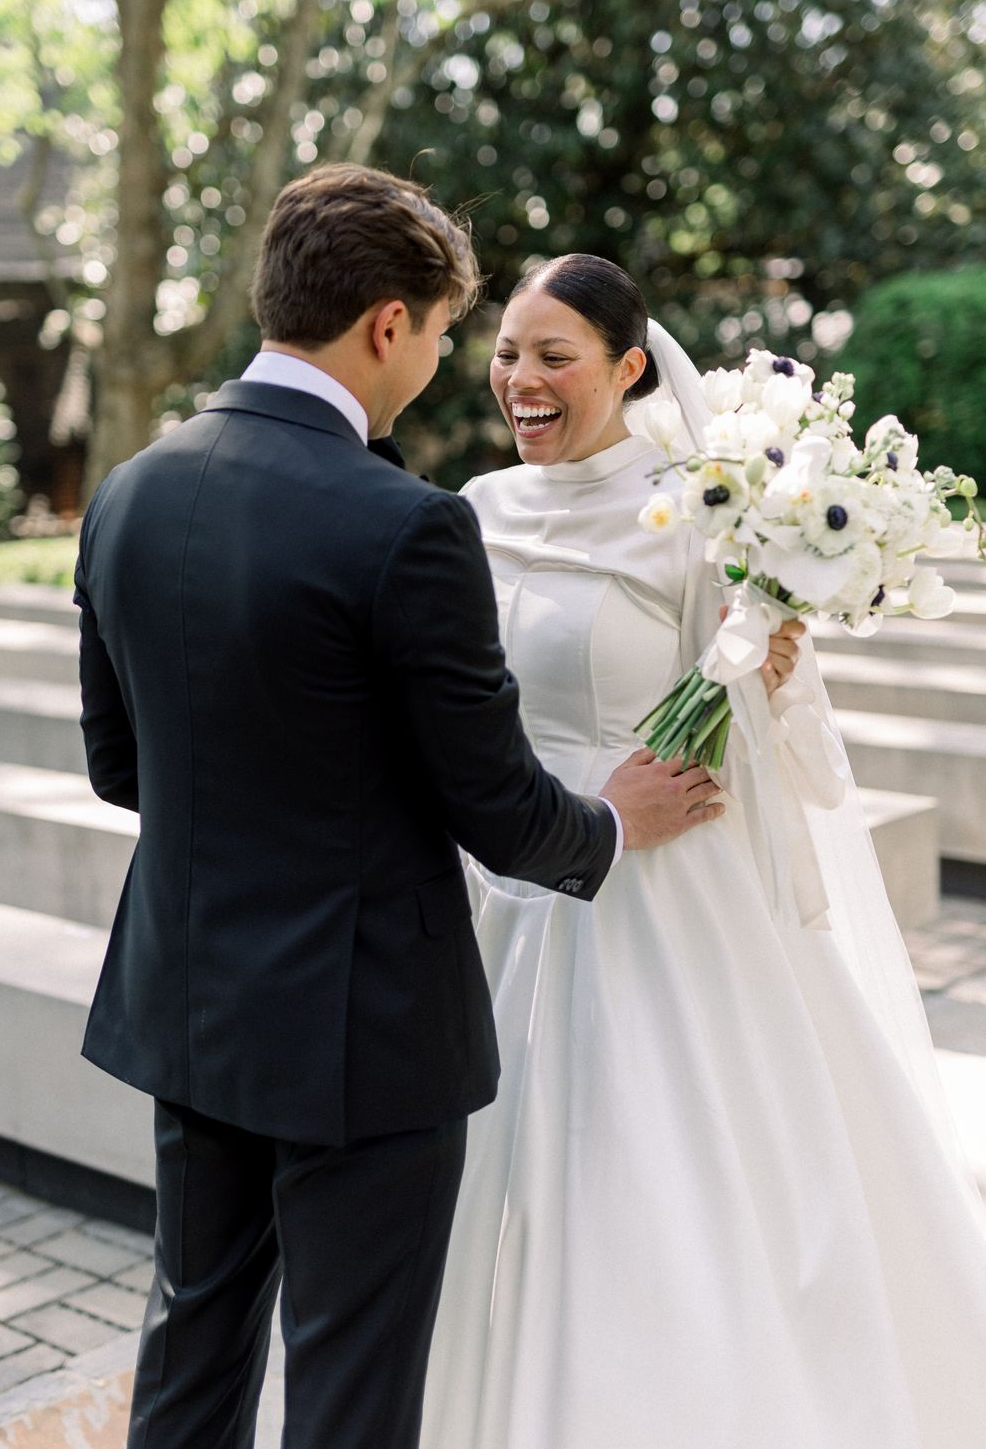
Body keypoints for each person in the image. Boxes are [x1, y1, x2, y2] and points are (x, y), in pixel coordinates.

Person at [72, 168, 734, 1449]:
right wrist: (612, 825)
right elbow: (492, 805)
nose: (443, 361)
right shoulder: (406, 525)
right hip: (359, 1033)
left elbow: (121, 768)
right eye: (443, 334)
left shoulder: (130, 491)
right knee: (352, 1392)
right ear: (387, 326)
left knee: (192, 1345)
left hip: (191, 1002)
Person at [420, 253, 986, 1449]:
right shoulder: (467, 512)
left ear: (627, 369)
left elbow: (747, 734)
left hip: (661, 888)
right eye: (508, 353)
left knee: (669, 1187)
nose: (519, 378)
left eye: (552, 357)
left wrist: (760, 684)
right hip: (504, 888)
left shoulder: (702, 511)